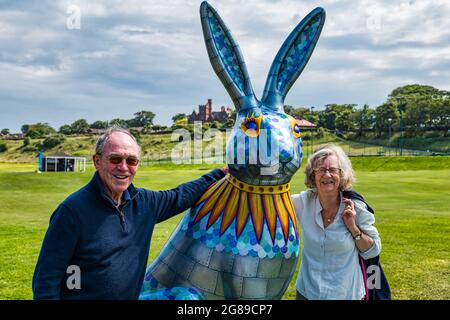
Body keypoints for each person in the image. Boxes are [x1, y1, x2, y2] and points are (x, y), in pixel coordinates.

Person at [32, 127, 227, 299]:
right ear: (97, 161)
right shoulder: (72, 212)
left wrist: (221, 173)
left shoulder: (145, 203)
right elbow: (46, 281)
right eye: (115, 159)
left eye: (131, 161)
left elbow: (180, 195)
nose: (124, 167)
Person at [292, 144, 381, 300]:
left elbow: (373, 251)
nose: (327, 175)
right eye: (321, 169)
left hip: (346, 294)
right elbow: (272, 201)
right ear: (313, 175)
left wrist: (354, 228)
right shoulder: (304, 201)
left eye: (333, 170)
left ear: (342, 175)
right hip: (307, 293)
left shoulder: (356, 208)